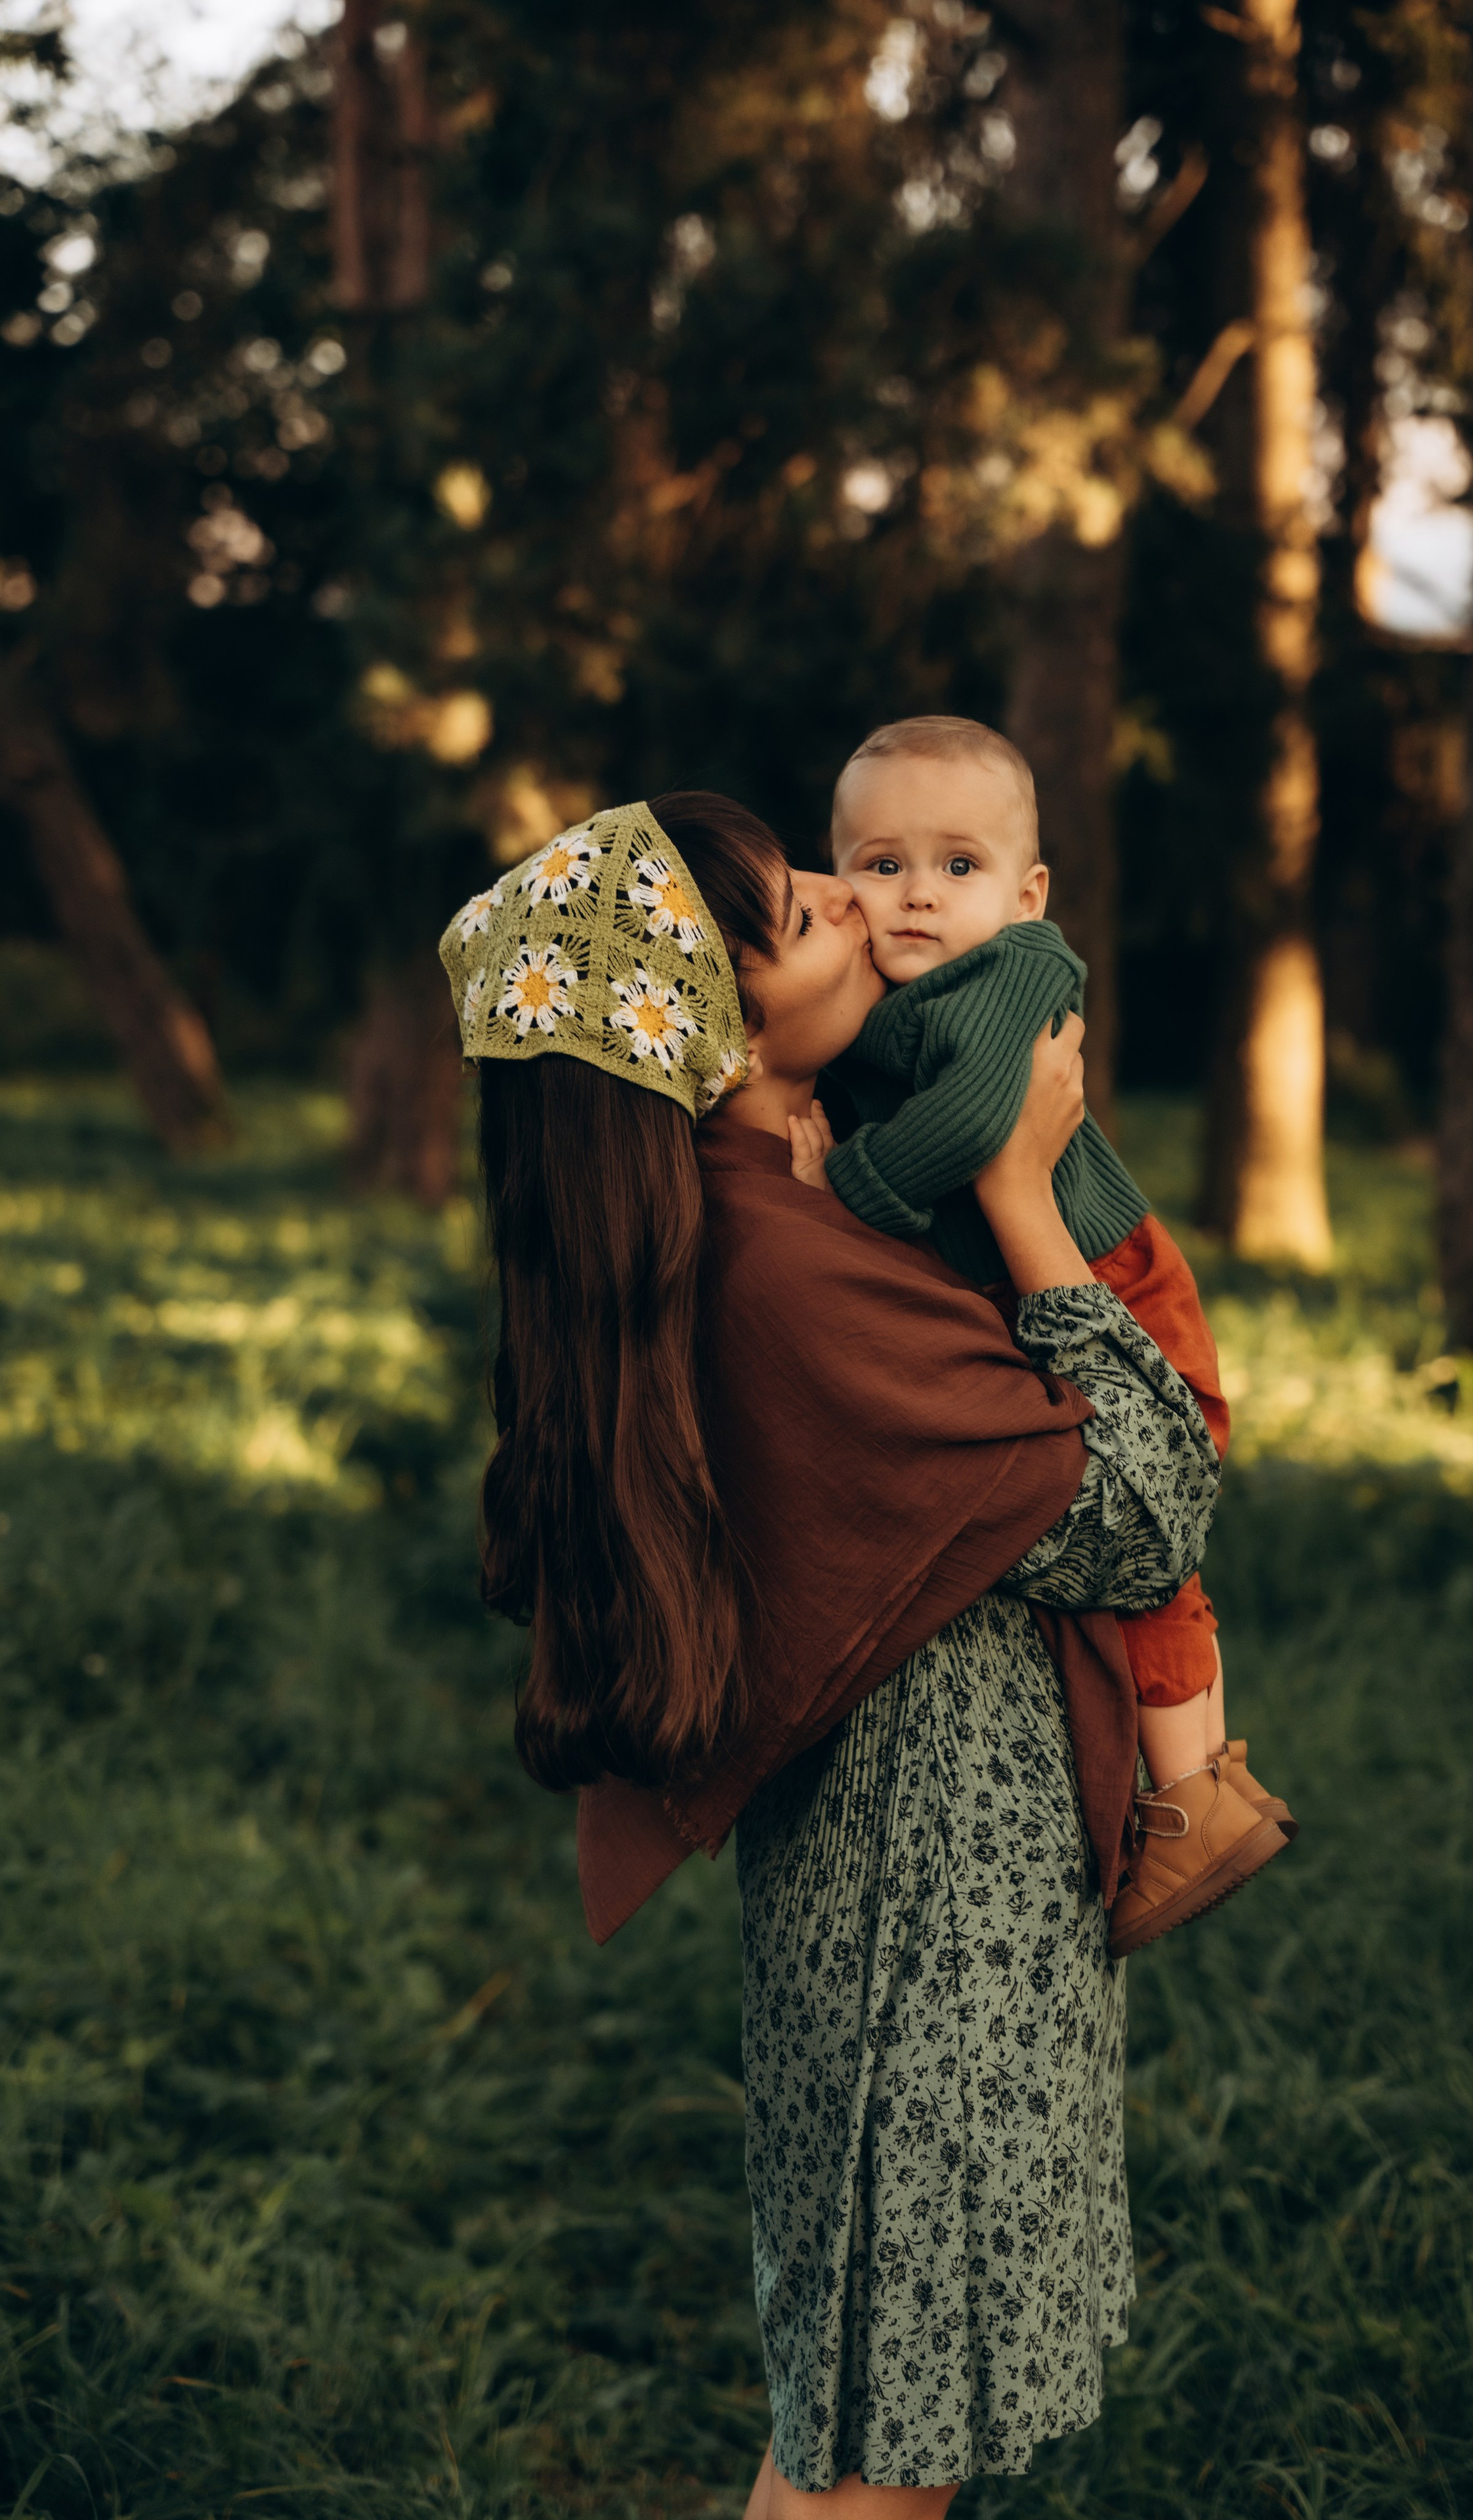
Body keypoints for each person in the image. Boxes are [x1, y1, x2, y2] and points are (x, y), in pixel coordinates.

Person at [440, 791, 1224, 2517]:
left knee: (856, 2425)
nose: (868, 914)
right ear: (713, 1035)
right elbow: (1145, 1503)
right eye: (805, 912)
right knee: (881, 2455)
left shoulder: (761, 1215)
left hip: (903, 1908)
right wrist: (1023, 1192)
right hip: (932, 1929)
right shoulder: (779, 1264)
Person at [813, 716, 1294, 1949]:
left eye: (958, 866)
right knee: (1095, 1514)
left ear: (1026, 893)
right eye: (881, 864)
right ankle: (1182, 1787)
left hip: (1118, 1282)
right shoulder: (872, 998)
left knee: (1151, 1517)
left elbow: (980, 1123)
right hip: (1033, 1293)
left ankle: (1193, 1796)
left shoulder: (1019, 970)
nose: (918, 892)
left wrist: (847, 1193)